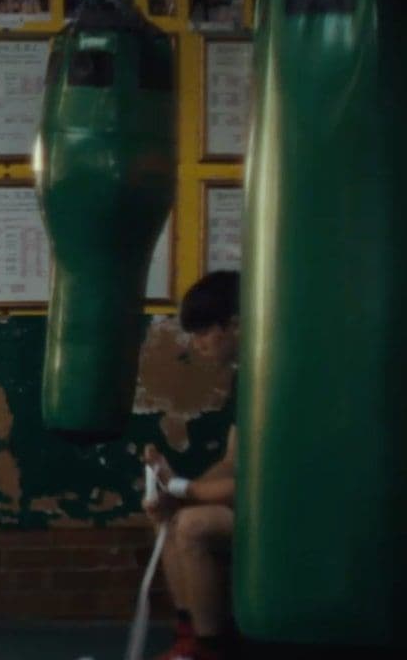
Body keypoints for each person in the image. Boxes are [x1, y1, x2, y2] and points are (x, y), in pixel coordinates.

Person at [143, 270, 240, 660]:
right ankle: (187, 637)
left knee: (193, 525)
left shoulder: (281, 376)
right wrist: (178, 490)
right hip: (259, 505)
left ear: (234, 325)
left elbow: (254, 484)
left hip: (292, 514)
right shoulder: (248, 381)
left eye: (203, 333)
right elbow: (233, 462)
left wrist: (187, 489)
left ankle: (210, 648)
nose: (197, 346)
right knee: (169, 513)